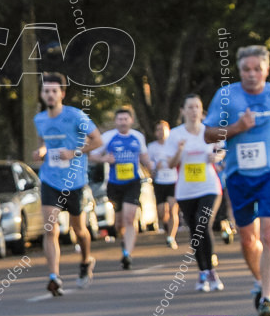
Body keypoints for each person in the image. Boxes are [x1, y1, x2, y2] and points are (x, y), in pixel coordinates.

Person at [204, 45, 270, 316]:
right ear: (239, 71)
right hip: (239, 175)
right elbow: (209, 135)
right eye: (246, 69)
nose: (251, 75)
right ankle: (263, 281)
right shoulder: (226, 97)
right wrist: (236, 128)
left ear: (266, 70)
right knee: (249, 240)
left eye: (257, 69)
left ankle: (269, 300)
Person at [32, 73, 102, 295]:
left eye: (54, 91)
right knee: (50, 228)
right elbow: (45, 143)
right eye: (46, 91)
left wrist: (74, 152)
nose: (50, 95)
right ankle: (54, 276)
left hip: (75, 180)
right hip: (50, 179)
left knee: (79, 230)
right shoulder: (39, 119)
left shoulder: (76, 116)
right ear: (42, 95)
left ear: (62, 93)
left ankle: (86, 260)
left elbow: (98, 140)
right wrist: (41, 151)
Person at [164, 94, 225, 292]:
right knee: (195, 231)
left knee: (203, 222)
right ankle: (203, 271)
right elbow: (170, 164)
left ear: (201, 110)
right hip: (185, 190)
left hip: (209, 187)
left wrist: (216, 156)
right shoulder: (175, 134)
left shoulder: (210, 131)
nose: (193, 111)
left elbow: (222, 151)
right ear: (183, 111)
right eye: (189, 107)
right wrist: (180, 151)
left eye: (197, 107)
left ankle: (211, 270)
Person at [90, 107, 150, 270]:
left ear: (131, 121)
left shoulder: (138, 137)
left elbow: (144, 157)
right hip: (114, 184)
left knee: (130, 217)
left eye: (126, 119)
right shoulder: (108, 137)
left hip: (133, 182)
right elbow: (92, 155)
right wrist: (105, 159)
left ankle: (127, 255)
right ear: (116, 121)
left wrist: (153, 167)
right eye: (120, 119)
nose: (123, 122)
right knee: (119, 223)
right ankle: (124, 242)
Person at [149, 120, 180, 248]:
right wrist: (154, 168)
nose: (160, 132)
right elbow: (148, 164)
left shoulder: (174, 145)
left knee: (173, 209)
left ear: (168, 131)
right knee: (162, 212)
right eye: (158, 129)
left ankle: (171, 237)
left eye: (163, 129)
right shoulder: (152, 147)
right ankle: (167, 226)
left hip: (173, 180)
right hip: (159, 181)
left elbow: (181, 160)